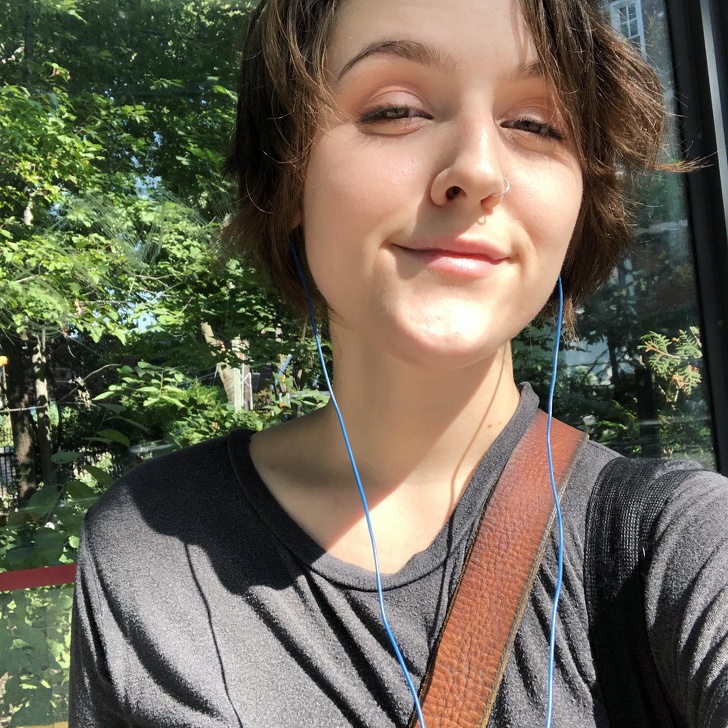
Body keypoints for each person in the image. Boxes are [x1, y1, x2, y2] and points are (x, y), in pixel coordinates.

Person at [69, 0, 728, 726]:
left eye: (536, 124)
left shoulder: (678, 541)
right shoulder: (150, 549)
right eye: (396, 111)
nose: (478, 169)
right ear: (288, 174)